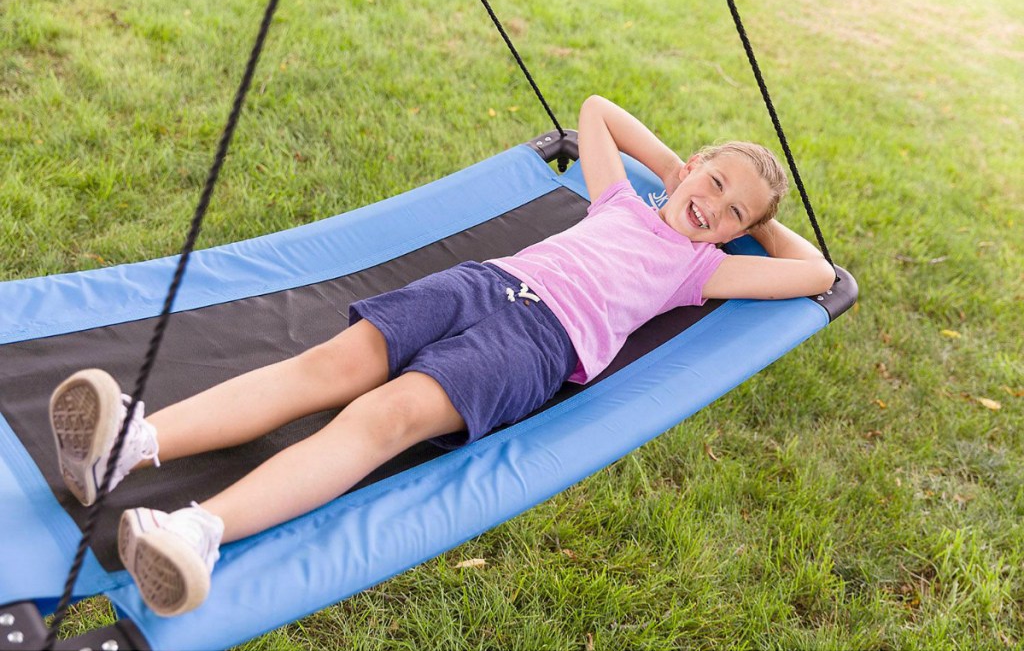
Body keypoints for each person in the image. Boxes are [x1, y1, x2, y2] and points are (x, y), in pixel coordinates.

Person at [48, 95, 836, 616]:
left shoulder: (702, 269)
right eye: (716, 181)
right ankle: (123, 448)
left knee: (382, 418)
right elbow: (598, 110)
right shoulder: (619, 197)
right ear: (692, 162)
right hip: (481, 282)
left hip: (538, 340)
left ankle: (198, 532)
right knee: (322, 369)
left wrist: (756, 222)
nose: (715, 206)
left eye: (732, 211)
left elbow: (816, 273)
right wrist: (674, 170)